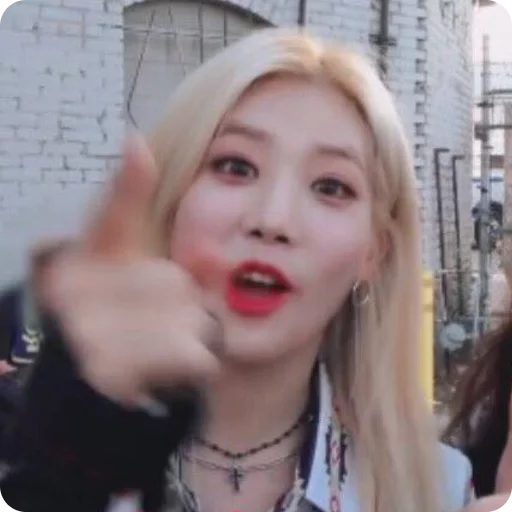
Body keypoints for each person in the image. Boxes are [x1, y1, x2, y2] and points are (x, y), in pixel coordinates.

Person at [0, 28, 472, 512]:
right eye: (236, 166)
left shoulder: (439, 491)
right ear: (172, 197)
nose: (273, 220)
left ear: (374, 251)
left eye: (331, 187)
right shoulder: (33, 450)